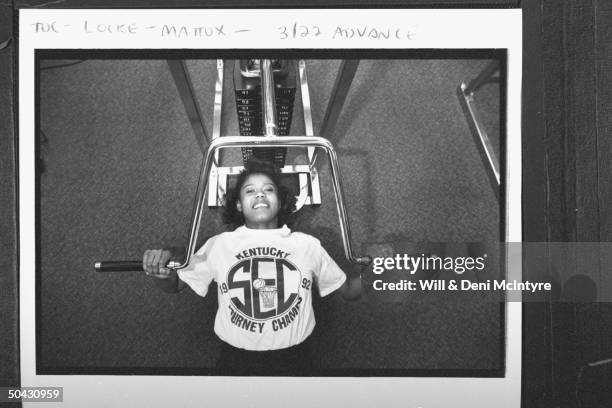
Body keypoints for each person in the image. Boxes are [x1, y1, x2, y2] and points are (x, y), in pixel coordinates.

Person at [143, 158, 361, 375]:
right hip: (236, 360)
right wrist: (160, 272)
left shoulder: (307, 245)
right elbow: (175, 285)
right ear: (238, 204)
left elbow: (350, 291)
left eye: (268, 189)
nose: (260, 194)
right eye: (250, 191)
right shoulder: (219, 244)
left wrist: (381, 266)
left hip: (295, 359)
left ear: (280, 200)